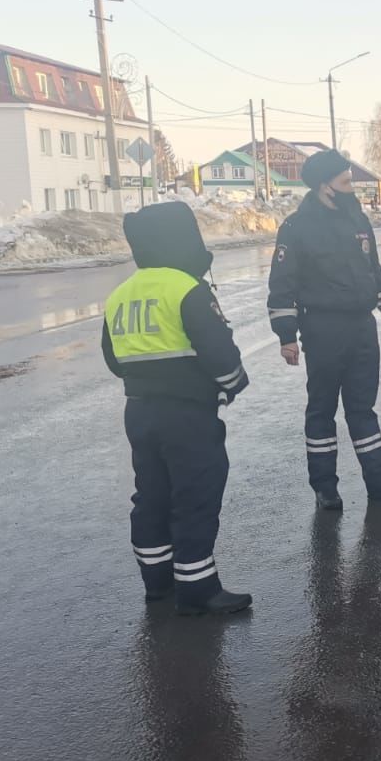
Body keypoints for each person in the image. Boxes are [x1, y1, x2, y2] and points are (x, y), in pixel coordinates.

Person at [102, 202, 253, 615]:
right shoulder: (187, 287)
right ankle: (199, 588)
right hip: (187, 414)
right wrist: (234, 384)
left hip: (140, 411)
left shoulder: (122, 293)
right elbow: (218, 349)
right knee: (195, 495)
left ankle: (158, 584)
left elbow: (113, 359)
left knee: (151, 494)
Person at [267, 150, 381, 510]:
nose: (352, 187)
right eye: (345, 181)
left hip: (362, 329)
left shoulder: (358, 221)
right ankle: (325, 488)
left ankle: (380, 483)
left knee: (363, 409)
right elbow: (282, 286)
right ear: (324, 186)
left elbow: (374, 273)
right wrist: (287, 337)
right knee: (322, 410)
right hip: (321, 330)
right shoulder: (296, 228)